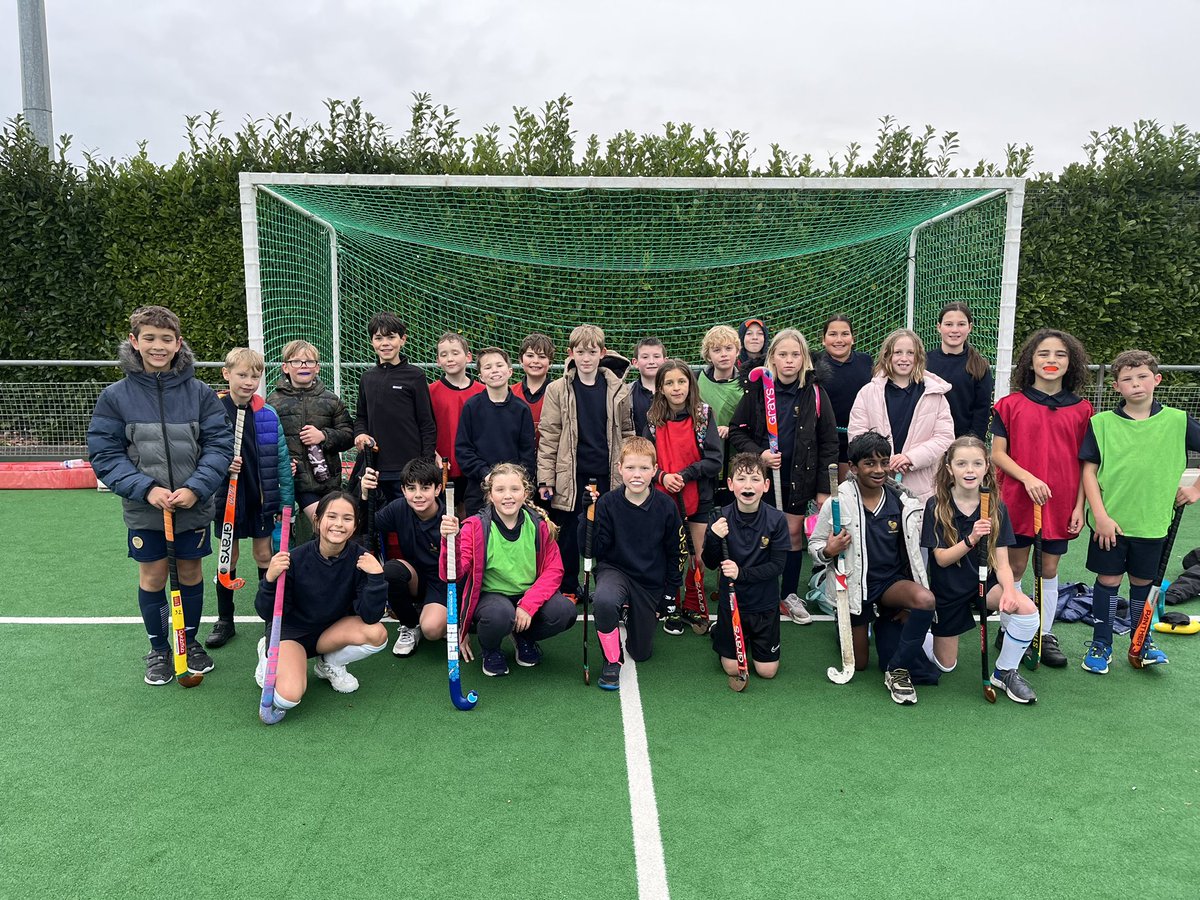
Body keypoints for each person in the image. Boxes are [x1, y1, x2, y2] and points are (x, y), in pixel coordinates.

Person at [86, 305, 233, 685]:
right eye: (149, 338)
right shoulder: (115, 397)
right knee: (153, 576)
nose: (158, 346)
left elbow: (219, 446)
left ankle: (189, 642)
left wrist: (196, 488)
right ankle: (159, 648)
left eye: (166, 339)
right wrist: (146, 489)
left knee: (190, 572)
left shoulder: (200, 393)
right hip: (145, 509)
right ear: (134, 342)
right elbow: (105, 454)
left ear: (178, 343)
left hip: (192, 506)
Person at [1080, 350, 1200, 674]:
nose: (1136, 384)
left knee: (1142, 582)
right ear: (1116, 386)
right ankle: (1101, 643)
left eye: (1142, 376)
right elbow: (1089, 471)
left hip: (1153, 523)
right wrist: (1100, 516)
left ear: (1157, 379)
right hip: (1110, 524)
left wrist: (1195, 489)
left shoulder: (1177, 421)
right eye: (1127, 379)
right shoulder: (1101, 424)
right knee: (1107, 580)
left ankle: (1142, 640)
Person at [990, 328, 1093, 667]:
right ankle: (1011, 628)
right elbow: (998, 455)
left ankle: (1043, 634)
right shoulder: (1009, 405)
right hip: (1017, 499)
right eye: (1043, 354)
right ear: (1030, 361)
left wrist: (1079, 506)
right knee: (1016, 566)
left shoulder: (1083, 410)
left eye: (1060, 354)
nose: (1051, 360)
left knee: (1049, 568)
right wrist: (1028, 477)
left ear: (1070, 363)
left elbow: (1085, 464)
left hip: (1060, 503)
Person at [808, 432, 934, 705]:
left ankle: (897, 670)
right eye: (869, 463)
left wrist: (908, 605)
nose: (878, 470)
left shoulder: (903, 502)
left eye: (884, 462)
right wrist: (829, 550)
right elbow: (814, 544)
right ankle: (851, 624)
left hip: (890, 584)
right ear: (853, 468)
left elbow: (910, 555)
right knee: (861, 663)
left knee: (925, 600)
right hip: (856, 589)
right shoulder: (838, 502)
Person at [729, 328, 837, 625]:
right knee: (757, 533)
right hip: (762, 479)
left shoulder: (815, 393)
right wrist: (760, 454)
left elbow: (829, 442)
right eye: (783, 354)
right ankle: (755, 589)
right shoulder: (757, 391)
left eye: (795, 354)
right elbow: (737, 431)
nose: (789, 360)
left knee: (792, 535)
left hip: (799, 478)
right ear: (772, 358)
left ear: (804, 359)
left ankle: (788, 594)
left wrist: (824, 488)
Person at [921, 436, 1039, 703]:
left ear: (987, 467)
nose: (969, 470)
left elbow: (1003, 562)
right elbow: (941, 559)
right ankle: (924, 633)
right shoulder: (936, 506)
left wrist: (1009, 590)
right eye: (961, 463)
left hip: (985, 584)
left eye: (976, 463)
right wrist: (971, 539)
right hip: (948, 589)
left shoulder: (996, 507)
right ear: (950, 468)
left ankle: (1004, 671)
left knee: (1027, 610)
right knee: (945, 665)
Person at [254, 492, 388, 720]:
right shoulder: (294, 559)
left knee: (377, 634)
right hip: (292, 635)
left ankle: (329, 663)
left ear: (355, 525)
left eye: (347, 518)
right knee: (288, 698)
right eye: (332, 516)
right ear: (317, 520)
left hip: (329, 633)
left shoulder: (361, 559)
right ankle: (267, 654)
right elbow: (265, 612)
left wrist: (376, 578)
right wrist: (269, 580)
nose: (339, 524)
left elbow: (370, 616)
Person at [442, 462, 577, 678]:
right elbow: (453, 573)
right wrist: (449, 541)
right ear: (490, 495)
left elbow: (554, 570)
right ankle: (491, 650)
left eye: (515, 489)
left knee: (565, 612)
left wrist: (528, 605)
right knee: (500, 615)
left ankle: (523, 636)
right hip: (492, 598)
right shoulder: (474, 527)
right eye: (500, 490)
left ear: (526, 493)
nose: (508, 496)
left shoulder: (539, 525)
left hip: (528, 594)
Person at [206, 347, 295, 649]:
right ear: (226, 374)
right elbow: (201, 453)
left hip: (260, 499)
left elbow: (281, 460)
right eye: (242, 375)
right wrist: (222, 464)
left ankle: (269, 619)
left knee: (263, 555)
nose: (248, 382)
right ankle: (225, 620)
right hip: (226, 499)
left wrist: (286, 502)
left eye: (254, 376)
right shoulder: (212, 411)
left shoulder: (267, 413)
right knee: (227, 556)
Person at [537, 323, 634, 597]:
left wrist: (628, 470)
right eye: (580, 352)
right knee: (567, 534)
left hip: (608, 474)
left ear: (602, 353)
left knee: (608, 531)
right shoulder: (557, 389)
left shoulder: (618, 389)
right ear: (571, 354)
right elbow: (549, 436)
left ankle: (607, 588)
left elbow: (628, 432)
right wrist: (546, 479)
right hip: (571, 475)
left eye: (592, 352)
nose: (586, 358)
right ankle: (569, 587)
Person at [588, 437, 687, 690]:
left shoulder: (666, 506)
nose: (637, 474)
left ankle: (630, 611)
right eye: (630, 467)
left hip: (649, 580)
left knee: (641, 652)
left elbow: (677, 552)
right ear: (619, 468)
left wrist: (669, 593)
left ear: (655, 470)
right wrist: (587, 517)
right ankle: (612, 660)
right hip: (615, 570)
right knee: (604, 600)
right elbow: (595, 549)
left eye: (644, 468)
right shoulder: (607, 503)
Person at [642, 359, 722, 634]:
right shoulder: (653, 420)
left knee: (696, 556)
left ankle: (692, 603)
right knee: (669, 553)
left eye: (682, 382)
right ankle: (671, 603)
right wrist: (662, 476)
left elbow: (715, 460)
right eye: (669, 383)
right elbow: (644, 462)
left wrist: (686, 474)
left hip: (698, 496)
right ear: (660, 388)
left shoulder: (704, 416)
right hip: (663, 498)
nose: (676, 388)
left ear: (690, 384)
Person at [703, 453, 790, 690]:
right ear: (730, 484)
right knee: (733, 668)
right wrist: (714, 537)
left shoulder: (777, 519)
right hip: (732, 605)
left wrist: (741, 574)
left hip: (764, 605)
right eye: (741, 479)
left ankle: (749, 638)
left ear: (766, 485)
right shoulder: (719, 517)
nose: (748, 486)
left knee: (766, 672)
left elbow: (777, 566)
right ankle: (720, 631)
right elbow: (709, 562)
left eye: (755, 479)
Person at [847, 328, 954, 503]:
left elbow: (944, 438)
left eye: (910, 353)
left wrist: (910, 458)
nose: (904, 358)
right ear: (887, 355)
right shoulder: (868, 393)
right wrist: (883, 460)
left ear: (918, 357)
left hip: (922, 486)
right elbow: (857, 434)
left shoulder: (935, 395)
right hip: (876, 484)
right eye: (898, 352)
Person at [360, 458, 450, 658]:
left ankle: (441, 616)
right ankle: (409, 624)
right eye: (411, 488)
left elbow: (466, 567)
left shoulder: (449, 517)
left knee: (432, 630)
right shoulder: (399, 508)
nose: (418, 495)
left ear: (437, 489)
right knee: (390, 571)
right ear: (403, 490)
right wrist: (365, 495)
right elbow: (366, 526)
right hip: (415, 576)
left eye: (425, 488)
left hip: (442, 581)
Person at [267, 339, 353, 525]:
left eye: (309, 361)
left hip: (325, 482)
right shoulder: (273, 402)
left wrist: (324, 436)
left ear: (318, 367)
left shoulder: (332, 400)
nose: (303, 366)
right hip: (288, 482)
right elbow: (264, 441)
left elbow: (349, 435)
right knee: (285, 533)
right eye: (296, 361)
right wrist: (279, 464)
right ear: (285, 367)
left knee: (327, 526)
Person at [353, 312, 437, 502]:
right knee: (378, 517)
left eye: (391, 337)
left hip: (409, 468)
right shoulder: (367, 378)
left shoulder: (415, 376)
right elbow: (361, 417)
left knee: (411, 516)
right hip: (376, 468)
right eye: (379, 338)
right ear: (372, 341)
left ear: (402, 340)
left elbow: (427, 424)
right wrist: (360, 434)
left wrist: (426, 463)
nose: (385, 343)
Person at [456, 347, 536, 515]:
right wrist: (486, 474)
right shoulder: (471, 407)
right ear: (481, 376)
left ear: (510, 371)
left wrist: (515, 481)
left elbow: (527, 454)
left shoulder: (522, 409)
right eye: (488, 367)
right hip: (479, 490)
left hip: (513, 493)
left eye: (499, 365)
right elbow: (463, 450)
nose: (494, 370)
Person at [812, 313, 873, 482]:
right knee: (829, 491)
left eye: (845, 334)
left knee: (852, 490)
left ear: (853, 338)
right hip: (823, 443)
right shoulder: (814, 365)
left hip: (857, 442)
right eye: (833, 334)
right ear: (823, 339)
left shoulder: (866, 362)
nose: (839, 340)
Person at [428, 331, 485, 506]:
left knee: (471, 514)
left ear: (468, 357)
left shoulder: (483, 391)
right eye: (444, 354)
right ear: (438, 360)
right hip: (443, 467)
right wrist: (433, 454)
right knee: (447, 514)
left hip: (476, 467)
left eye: (455, 353)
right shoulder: (429, 392)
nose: (450, 359)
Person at [924, 303, 995, 439]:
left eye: (961, 324)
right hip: (928, 440)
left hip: (963, 443)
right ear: (939, 327)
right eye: (949, 324)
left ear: (970, 327)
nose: (955, 330)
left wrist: (971, 443)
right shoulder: (924, 362)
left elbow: (982, 411)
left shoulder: (979, 366)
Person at [696, 324, 746, 508]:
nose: (724, 354)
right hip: (704, 459)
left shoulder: (746, 384)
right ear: (708, 355)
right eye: (717, 350)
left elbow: (752, 422)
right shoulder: (697, 380)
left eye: (728, 348)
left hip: (736, 458)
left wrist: (732, 429)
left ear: (737, 351)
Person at [512, 332, 555, 450]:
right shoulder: (510, 393)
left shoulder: (559, 393)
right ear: (520, 360)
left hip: (550, 457)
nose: (535, 361)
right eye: (530, 355)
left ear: (550, 362)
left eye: (542, 356)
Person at [623, 337, 666, 435]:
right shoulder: (626, 393)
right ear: (635, 362)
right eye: (645, 357)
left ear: (665, 361)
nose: (651, 361)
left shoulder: (674, 391)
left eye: (656, 356)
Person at [735, 317, 769, 388]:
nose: (755, 337)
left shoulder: (773, 364)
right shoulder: (733, 365)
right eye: (749, 333)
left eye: (760, 333)